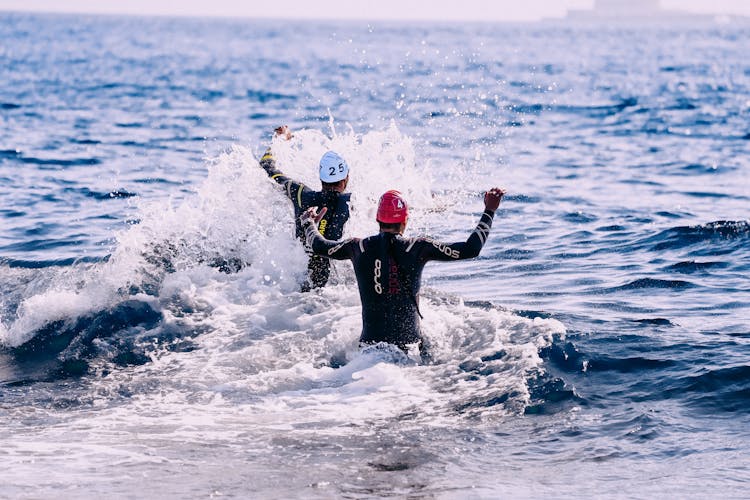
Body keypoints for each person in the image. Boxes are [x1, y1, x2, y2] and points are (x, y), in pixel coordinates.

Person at [300, 187, 505, 359]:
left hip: (368, 352)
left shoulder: (357, 247)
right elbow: (471, 249)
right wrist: (489, 210)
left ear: (378, 220)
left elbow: (320, 247)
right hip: (410, 352)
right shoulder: (418, 247)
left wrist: (309, 223)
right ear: (404, 220)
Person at [259, 125, 352, 291]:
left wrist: (280, 140)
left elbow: (267, 166)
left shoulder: (301, 193)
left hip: (299, 281)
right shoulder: (351, 202)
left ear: (321, 178)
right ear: (346, 178)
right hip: (333, 289)